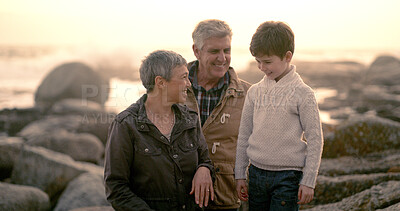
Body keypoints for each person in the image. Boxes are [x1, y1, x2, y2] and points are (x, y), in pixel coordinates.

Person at [104, 50, 214, 211]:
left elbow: (205, 160)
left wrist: (204, 169)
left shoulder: (190, 118)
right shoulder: (125, 124)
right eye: (183, 77)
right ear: (161, 82)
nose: (189, 84)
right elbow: (116, 188)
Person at [235, 21, 324, 211]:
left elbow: (315, 139)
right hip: (256, 174)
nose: (261, 67)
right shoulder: (254, 92)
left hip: (288, 177)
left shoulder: (303, 94)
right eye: (258, 61)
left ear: (287, 56)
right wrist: (240, 174)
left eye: (267, 62)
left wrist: (308, 181)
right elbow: (243, 135)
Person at [184, 19, 251, 210]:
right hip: (178, 198)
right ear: (196, 51)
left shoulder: (250, 95)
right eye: (214, 51)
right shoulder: (172, 89)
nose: (222, 58)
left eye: (227, 50)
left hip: (225, 200)